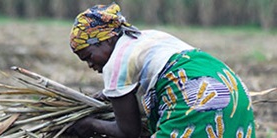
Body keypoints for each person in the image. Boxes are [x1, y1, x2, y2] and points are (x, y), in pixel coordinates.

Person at [67, 2, 256, 138]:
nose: (90, 65)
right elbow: (155, 75)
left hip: (197, 101)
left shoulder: (115, 63)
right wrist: (108, 95)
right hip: (232, 90)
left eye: (89, 57)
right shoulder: (146, 36)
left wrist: (87, 125)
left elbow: (127, 132)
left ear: (106, 39)